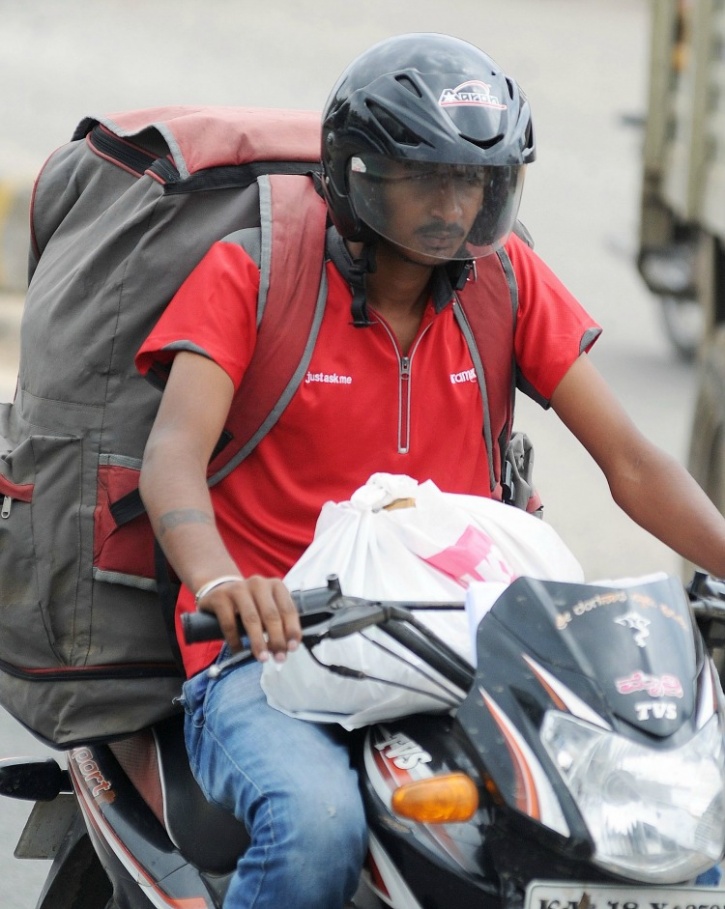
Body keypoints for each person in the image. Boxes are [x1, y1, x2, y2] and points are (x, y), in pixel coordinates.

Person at [136, 32, 725, 909]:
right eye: (430, 178)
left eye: (478, 181)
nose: (457, 205)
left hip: (459, 648)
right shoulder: (253, 271)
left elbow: (632, 462)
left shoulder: (505, 280)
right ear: (356, 175)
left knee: (629, 821)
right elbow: (172, 456)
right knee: (316, 825)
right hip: (270, 651)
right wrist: (223, 580)